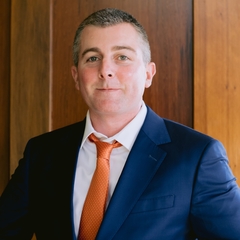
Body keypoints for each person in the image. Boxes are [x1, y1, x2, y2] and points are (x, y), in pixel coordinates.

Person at [0, 8, 240, 240]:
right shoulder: (41, 154)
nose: (105, 71)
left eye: (122, 57)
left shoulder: (197, 156)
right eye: (93, 58)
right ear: (76, 76)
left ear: (148, 74)